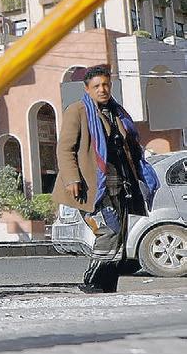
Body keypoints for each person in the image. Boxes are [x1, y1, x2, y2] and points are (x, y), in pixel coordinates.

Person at [54, 64, 160, 293]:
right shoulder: (78, 111)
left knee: (119, 235)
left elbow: (129, 145)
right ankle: (92, 281)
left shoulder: (117, 112)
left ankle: (108, 285)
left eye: (105, 85)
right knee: (108, 231)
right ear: (87, 88)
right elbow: (65, 149)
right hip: (91, 186)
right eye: (96, 86)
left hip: (119, 184)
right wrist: (72, 179)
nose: (102, 89)